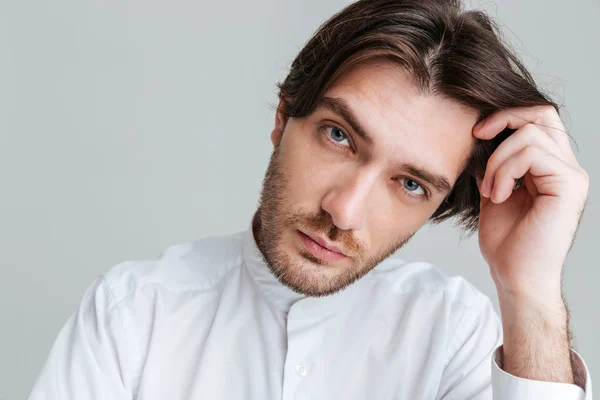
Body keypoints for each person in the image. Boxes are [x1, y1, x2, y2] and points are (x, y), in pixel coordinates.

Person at [29, 0, 593, 398]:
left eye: (411, 183)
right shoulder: (133, 313)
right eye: (339, 136)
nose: (344, 211)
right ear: (283, 116)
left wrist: (531, 290)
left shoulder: (454, 337)